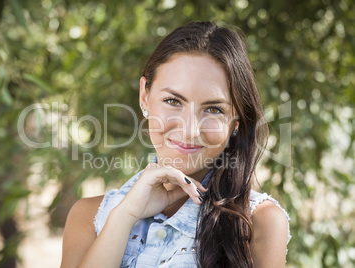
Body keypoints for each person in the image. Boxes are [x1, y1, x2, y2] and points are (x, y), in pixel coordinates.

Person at [60, 21, 291, 268]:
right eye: (173, 101)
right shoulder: (88, 217)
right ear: (144, 97)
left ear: (236, 121)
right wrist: (124, 217)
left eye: (214, 109)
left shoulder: (258, 223)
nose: (190, 129)